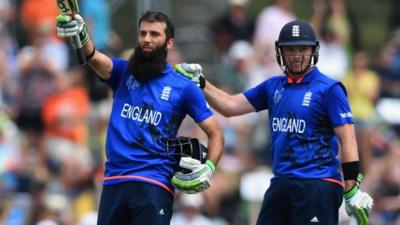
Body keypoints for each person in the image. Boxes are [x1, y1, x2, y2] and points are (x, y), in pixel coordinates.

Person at [176, 20, 373, 225]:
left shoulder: (329, 89)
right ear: (281, 52)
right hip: (281, 182)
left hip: (317, 184)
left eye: (303, 49)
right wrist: (201, 83)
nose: (297, 56)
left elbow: (348, 138)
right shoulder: (272, 87)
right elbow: (230, 106)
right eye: (290, 49)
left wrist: (351, 189)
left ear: (314, 50)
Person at [56, 10, 224, 225]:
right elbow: (94, 57)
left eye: (154, 34)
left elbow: (215, 133)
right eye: (143, 33)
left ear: (169, 43)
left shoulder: (183, 87)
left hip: (154, 183)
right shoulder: (123, 72)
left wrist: (209, 168)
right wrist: (81, 36)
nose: (146, 39)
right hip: (114, 182)